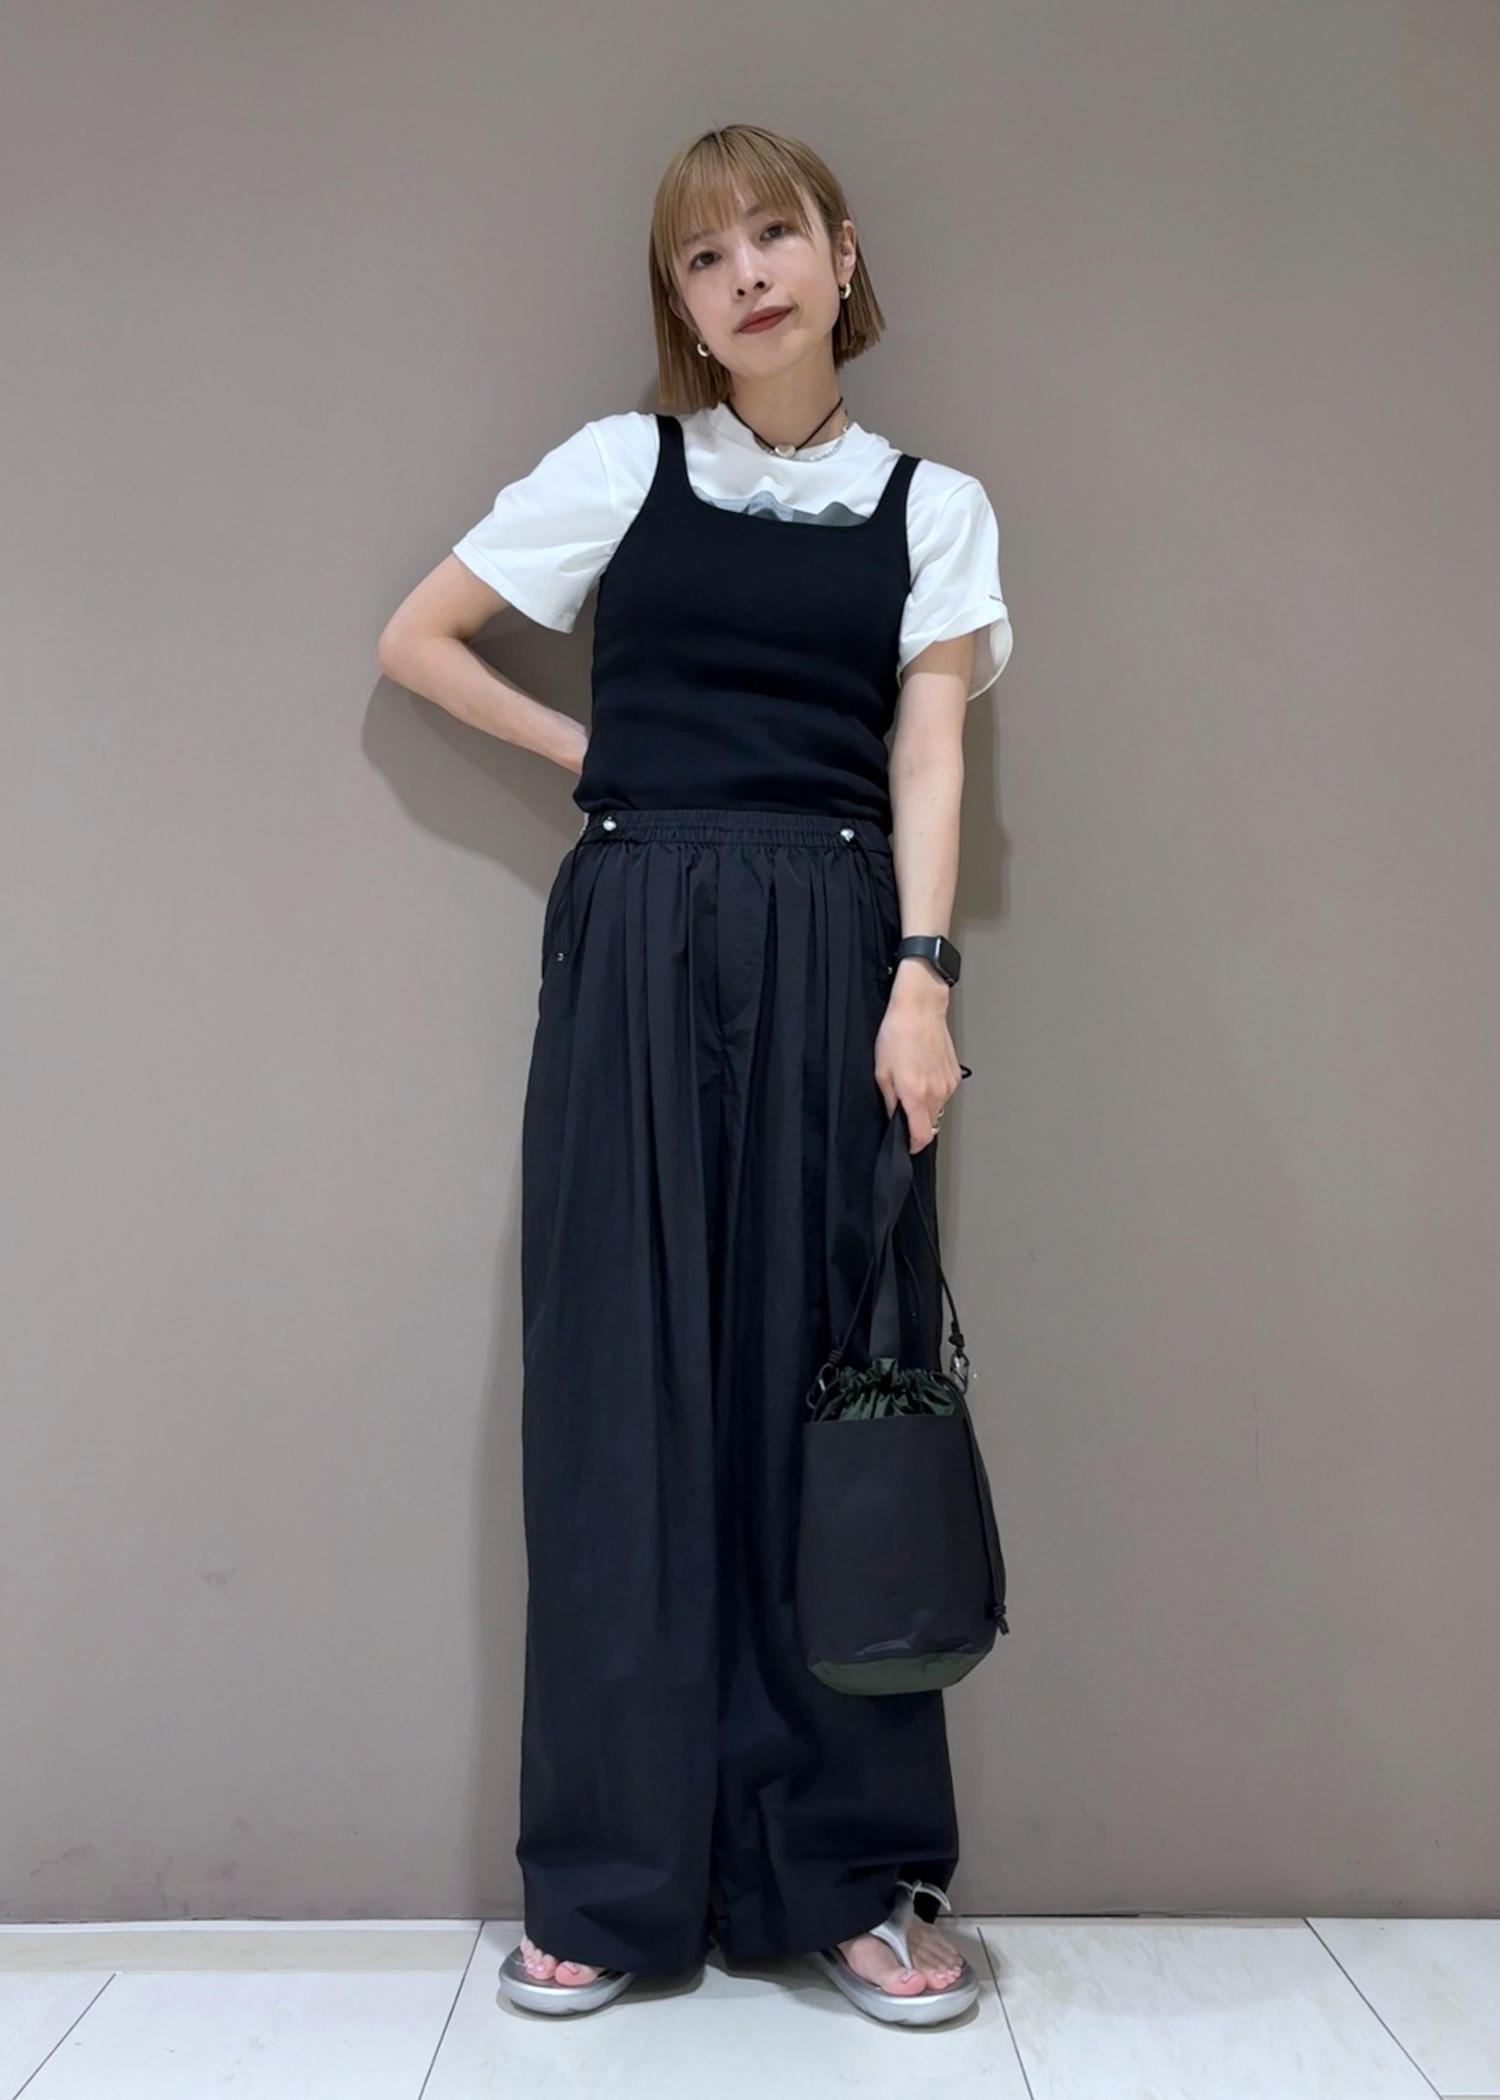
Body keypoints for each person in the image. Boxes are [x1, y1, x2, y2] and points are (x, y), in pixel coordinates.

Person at [377, 122, 1012, 2026]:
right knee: (621, 1388)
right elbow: (418, 641)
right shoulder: (620, 469)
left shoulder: (932, 505)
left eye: (775, 236)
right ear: (680, 301)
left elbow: (927, 755)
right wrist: (599, 763)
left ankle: (850, 1875)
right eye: (705, 257)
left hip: (838, 937)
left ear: (841, 252)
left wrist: (921, 980)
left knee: (842, 1397)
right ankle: (608, 1880)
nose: (747, 276)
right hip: (639, 933)